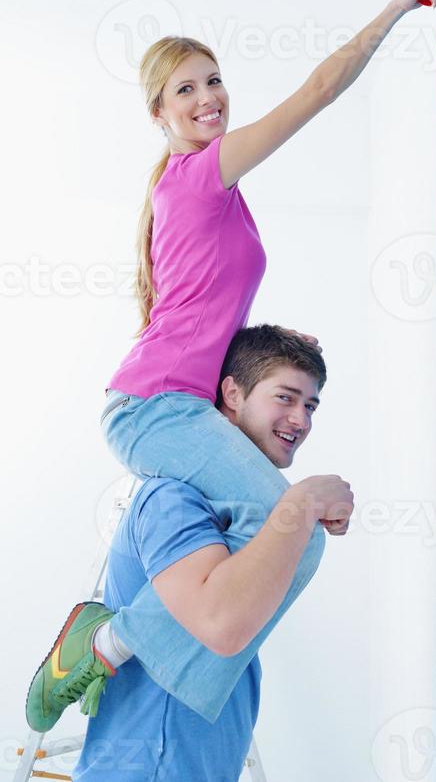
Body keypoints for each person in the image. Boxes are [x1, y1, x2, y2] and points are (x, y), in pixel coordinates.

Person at [25, 0, 436, 731]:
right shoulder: (203, 172)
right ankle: (107, 643)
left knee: (289, 540)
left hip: (164, 404)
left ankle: (124, 646)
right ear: (159, 115)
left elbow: (198, 309)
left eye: (214, 79)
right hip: (156, 410)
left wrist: (272, 338)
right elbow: (321, 89)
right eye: (184, 89)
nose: (208, 97)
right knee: (294, 536)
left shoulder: (201, 191)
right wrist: (397, 5)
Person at [67, 325, 351, 781]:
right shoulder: (174, 499)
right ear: (232, 394)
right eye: (285, 397)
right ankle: (102, 644)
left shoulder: (243, 519)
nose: (302, 420)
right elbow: (219, 622)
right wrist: (302, 504)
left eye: (310, 405)